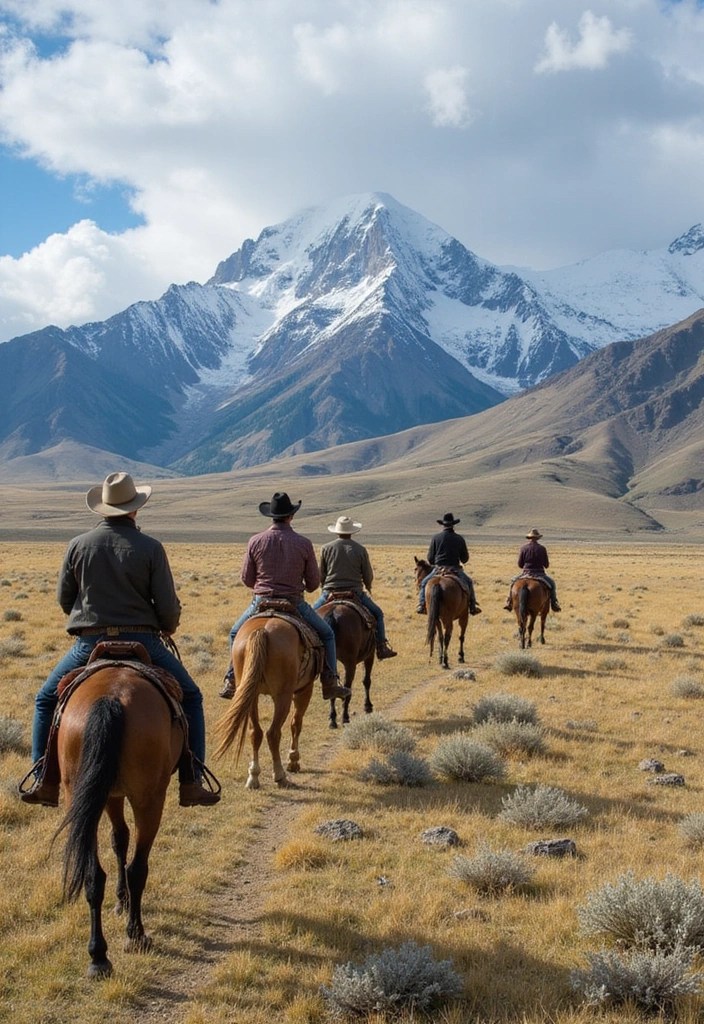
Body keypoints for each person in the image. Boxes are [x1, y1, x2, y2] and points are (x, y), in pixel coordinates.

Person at [20, 472, 220, 808]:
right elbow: (167, 606)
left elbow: (64, 599)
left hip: (88, 644)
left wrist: (88, 621)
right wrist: (167, 626)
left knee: (44, 700)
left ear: (102, 508)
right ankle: (192, 781)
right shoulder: (151, 548)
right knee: (191, 696)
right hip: (145, 642)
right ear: (135, 509)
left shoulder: (77, 545)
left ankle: (43, 780)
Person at [219, 492, 351, 701]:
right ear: (291, 516)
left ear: (271, 516)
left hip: (261, 602)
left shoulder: (255, 541)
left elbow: (246, 578)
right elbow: (313, 584)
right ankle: (330, 681)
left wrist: (264, 587)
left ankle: (231, 679)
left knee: (236, 634)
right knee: (327, 635)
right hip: (293, 603)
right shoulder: (303, 543)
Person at [312, 515, 397, 660]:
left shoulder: (326, 548)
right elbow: (368, 575)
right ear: (352, 532)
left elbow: (322, 574)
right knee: (378, 614)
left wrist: (323, 588)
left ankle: (307, 648)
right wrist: (368, 586)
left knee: (311, 616)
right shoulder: (360, 549)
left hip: (330, 592)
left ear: (336, 531)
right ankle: (381, 647)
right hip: (355, 592)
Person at [416, 512, 481, 615]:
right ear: (453, 525)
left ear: (443, 525)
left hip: (438, 569)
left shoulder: (436, 538)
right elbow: (464, 559)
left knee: (424, 583)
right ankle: (472, 606)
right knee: (468, 582)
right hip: (454, 569)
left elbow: (430, 559)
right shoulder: (459, 538)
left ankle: (422, 604)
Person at [503, 528, 561, 612]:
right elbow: (546, 565)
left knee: (512, 583)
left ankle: (509, 602)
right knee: (552, 584)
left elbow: (520, 564)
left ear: (529, 538)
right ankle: (554, 603)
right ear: (537, 538)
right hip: (539, 574)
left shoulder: (523, 548)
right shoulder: (542, 548)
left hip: (525, 573)